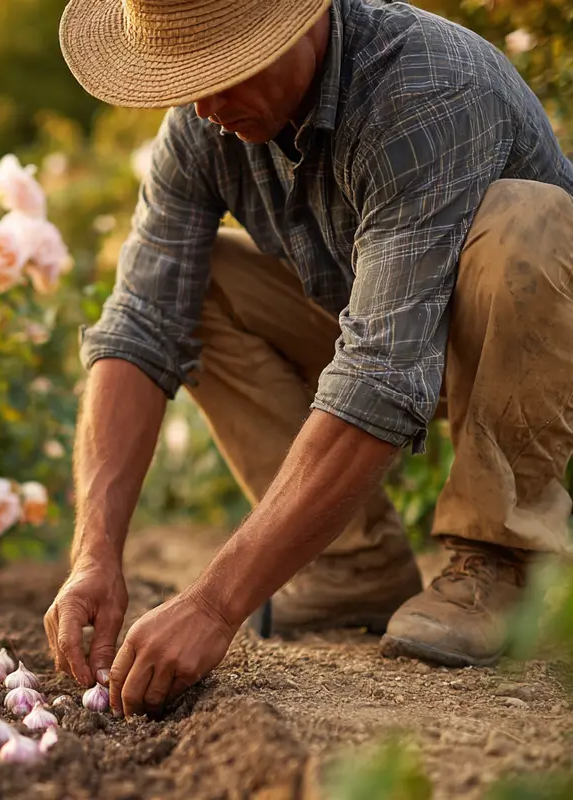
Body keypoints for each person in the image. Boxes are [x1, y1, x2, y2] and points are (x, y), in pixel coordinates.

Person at [45, 0, 573, 718]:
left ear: (302, 21)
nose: (204, 104)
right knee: (197, 288)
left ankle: (505, 562)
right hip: (385, 320)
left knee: (530, 227)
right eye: (188, 75)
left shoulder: (423, 88)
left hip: (530, 349)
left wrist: (214, 603)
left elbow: (382, 373)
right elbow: (139, 327)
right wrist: (94, 555)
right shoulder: (203, 128)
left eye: (226, 70)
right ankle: (349, 563)